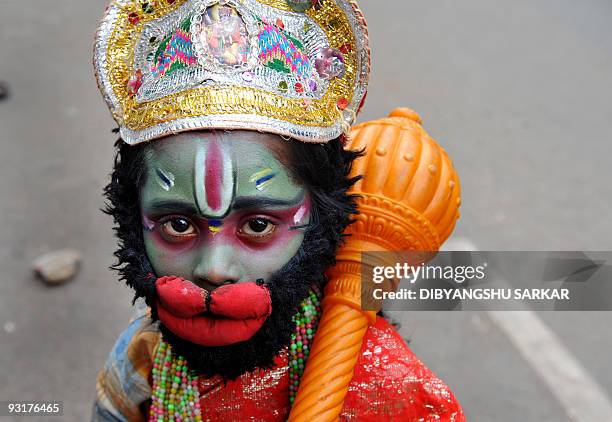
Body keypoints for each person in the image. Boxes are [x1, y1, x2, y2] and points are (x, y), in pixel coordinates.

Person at [92, 0, 465, 420]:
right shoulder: (145, 354)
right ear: (131, 219)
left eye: (257, 225)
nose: (215, 270)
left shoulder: (390, 390)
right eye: (177, 224)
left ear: (321, 220)